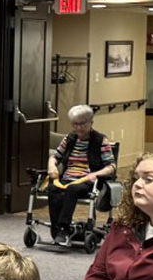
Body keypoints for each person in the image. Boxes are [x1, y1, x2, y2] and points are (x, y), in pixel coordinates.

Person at [41, 105, 118, 247]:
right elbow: (55, 157)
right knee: (53, 189)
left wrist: (95, 174)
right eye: (75, 124)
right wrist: (51, 166)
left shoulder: (101, 140)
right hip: (67, 178)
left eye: (82, 124)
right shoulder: (70, 138)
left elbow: (111, 167)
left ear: (91, 123)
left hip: (87, 180)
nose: (78, 128)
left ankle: (64, 228)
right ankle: (56, 229)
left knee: (72, 190)